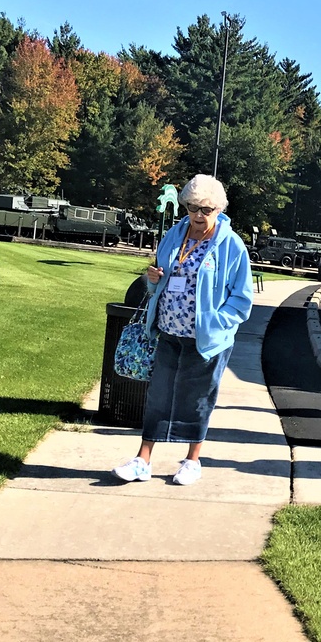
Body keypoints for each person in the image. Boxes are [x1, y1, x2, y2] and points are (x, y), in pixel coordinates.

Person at [111, 174, 254, 485]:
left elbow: (242, 301)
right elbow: (160, 284)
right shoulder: (175, 235)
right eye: (192, 208)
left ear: (219, 209)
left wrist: (216, 323)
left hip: (206, 340)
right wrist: (152, 281)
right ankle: (142, 460)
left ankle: (192, 461)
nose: (198, 216)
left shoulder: (231, 245)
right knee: (158, 397)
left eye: (206, 210)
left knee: (198, 398)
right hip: (168, 333)